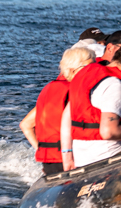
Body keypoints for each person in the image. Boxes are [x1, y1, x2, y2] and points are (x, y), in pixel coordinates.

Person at [61, 40, 121, 169]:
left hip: (81, 156)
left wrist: (67, 157)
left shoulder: (85, 75)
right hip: (108, 156)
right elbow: (108, 132)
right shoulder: (116, 86)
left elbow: (66, 117)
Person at [18, 45, 95, 177]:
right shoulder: (74, 90)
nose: (94, 71)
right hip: (69, 160)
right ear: (73, 69)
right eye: (90, 67)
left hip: (49, 162)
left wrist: (41, 151)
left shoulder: (49, 89)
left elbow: (25, 125)